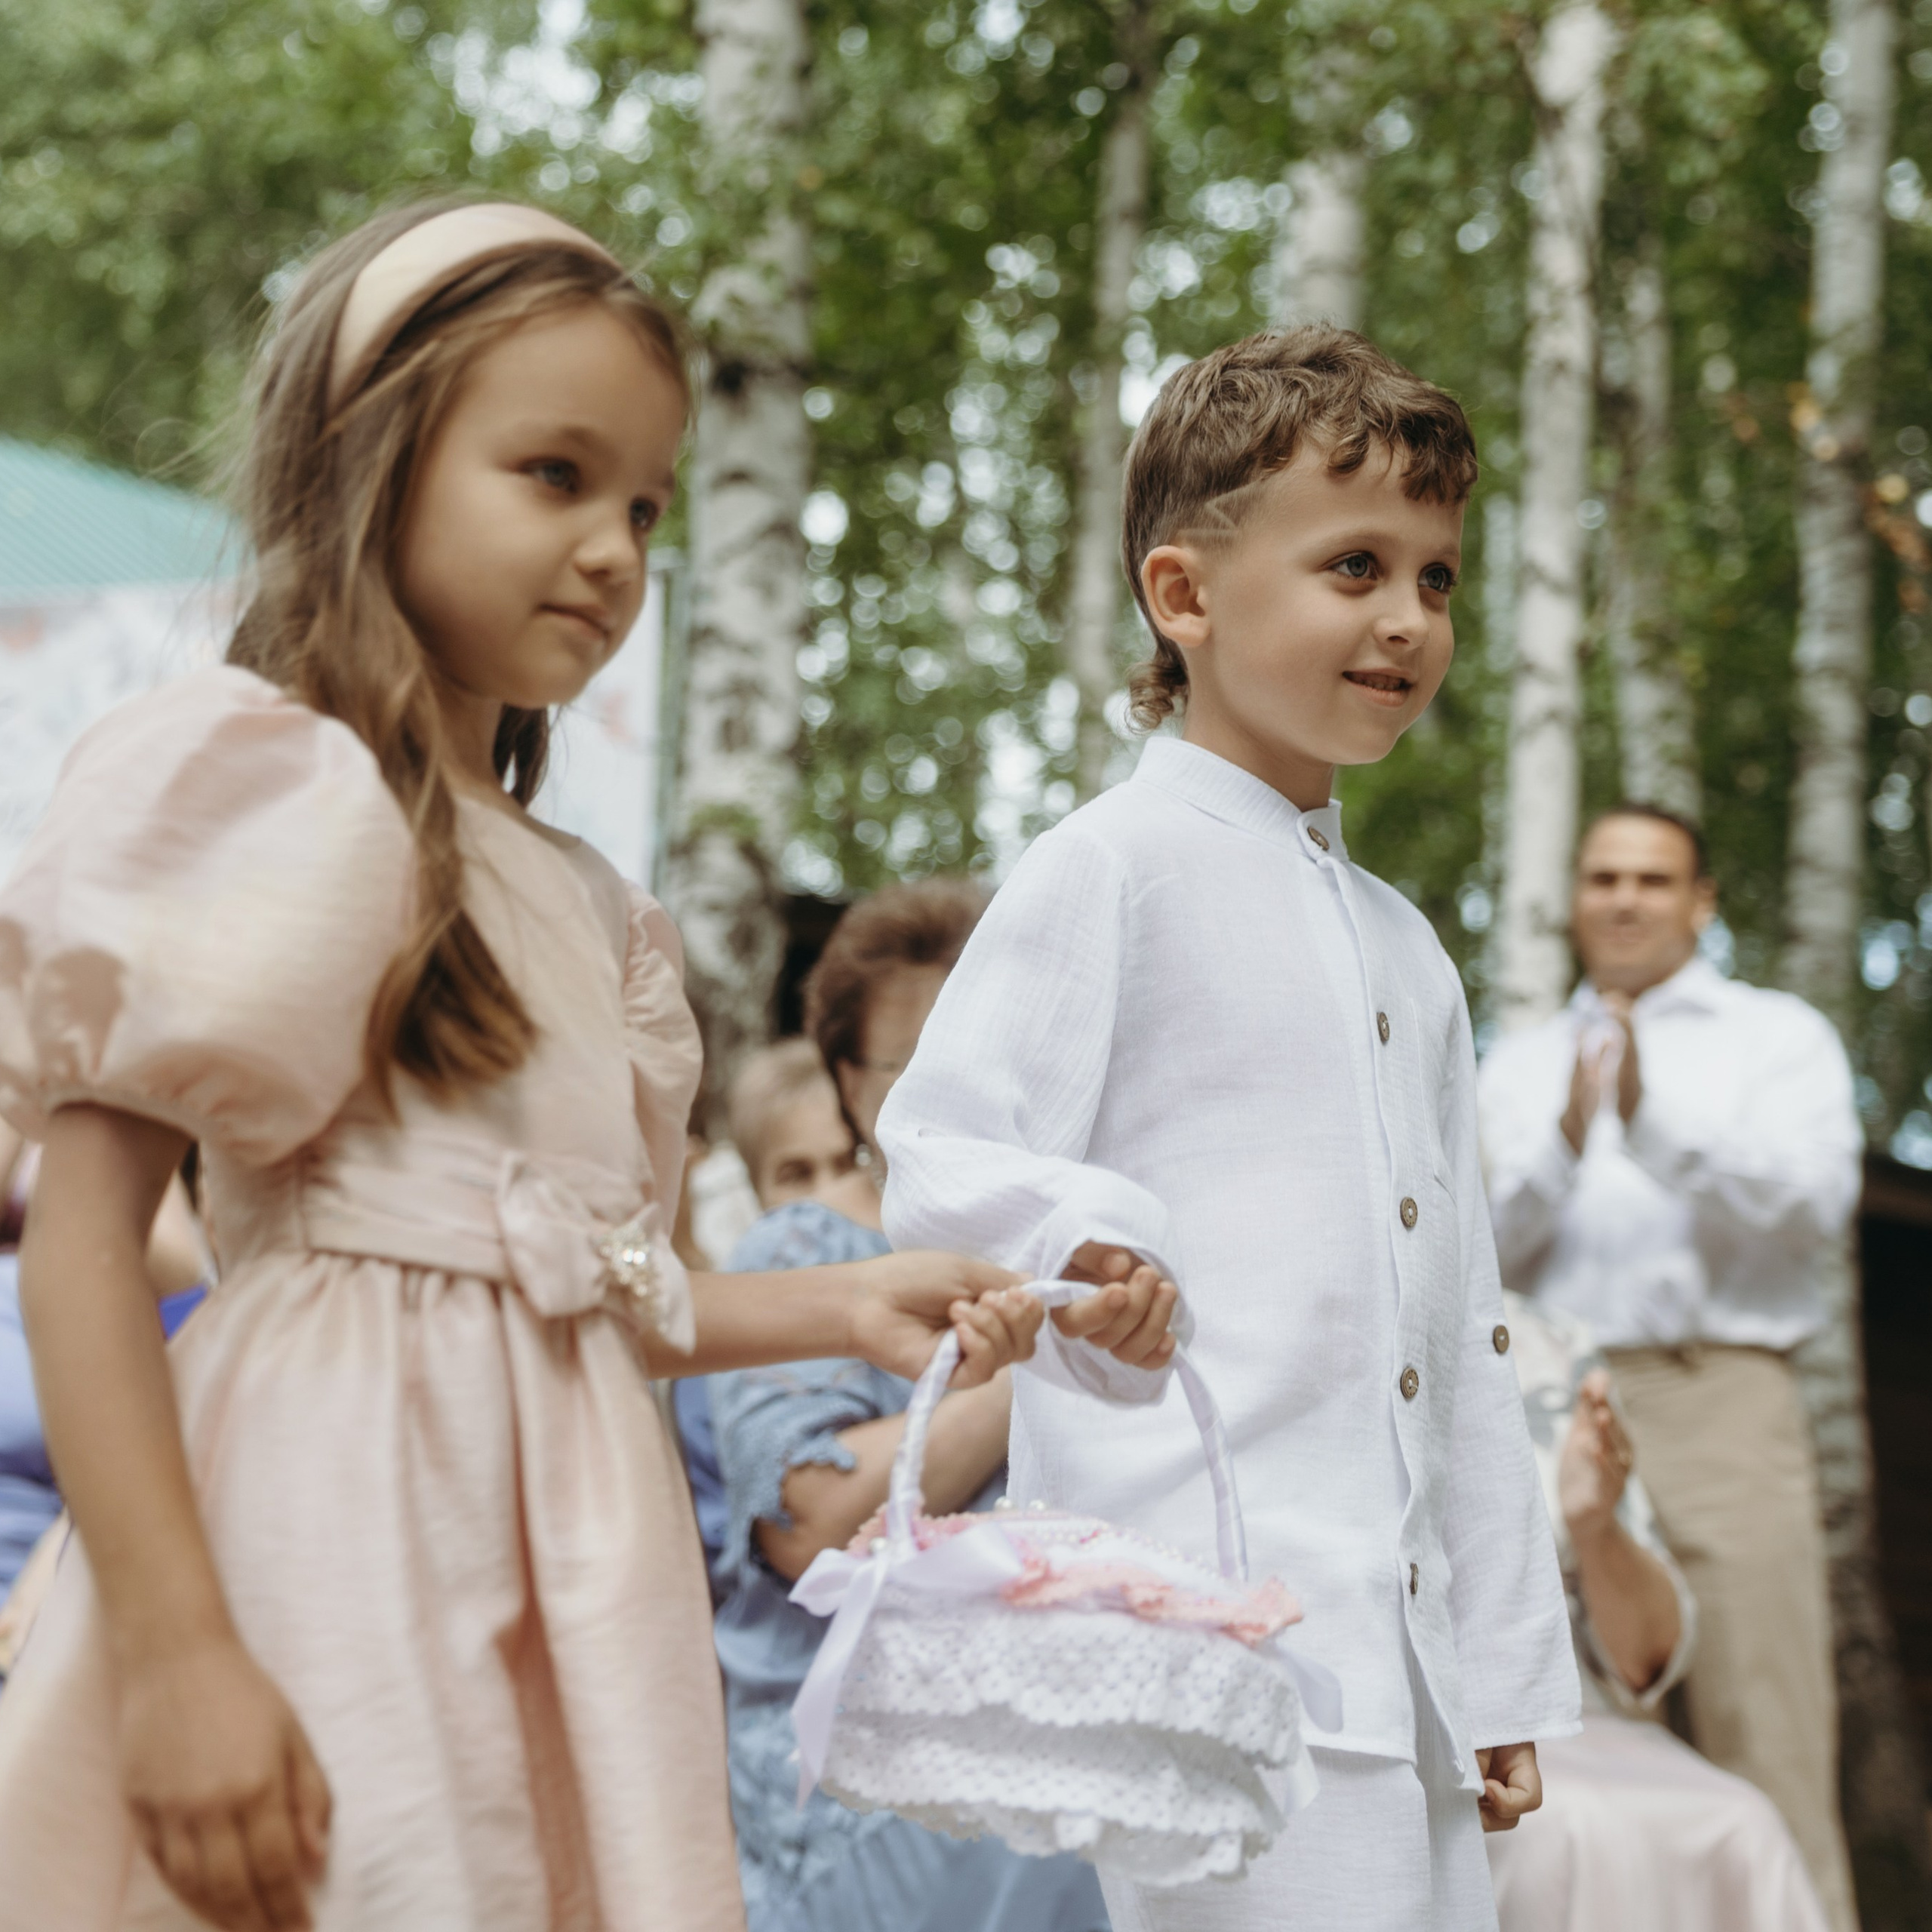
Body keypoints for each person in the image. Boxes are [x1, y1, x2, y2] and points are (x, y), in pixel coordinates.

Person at [0, 199, 1132, 1932]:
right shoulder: (268, 791)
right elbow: (83, 1246)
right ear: (365, 461)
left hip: (572, 1577)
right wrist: (174, 1646)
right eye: (552, 474)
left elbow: (592, 1291)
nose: (612, 546)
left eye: (646, 505)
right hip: (329, 1530)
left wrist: (851, 1305)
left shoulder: (596, 910)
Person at [878, 327, 1580, 1932]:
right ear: (1181, 597)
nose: (1407, 618)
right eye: (1354, 564)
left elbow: (1459, 1329)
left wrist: (1497, 1664)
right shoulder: (1108, 865)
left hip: (1399, 1651)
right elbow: (943, 1145)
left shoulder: (1408, 945)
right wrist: (1084, 1246)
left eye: (1438, 577)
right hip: (1201, 1633)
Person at [686, 881, 1113, 1932]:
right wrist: (1037, 1369)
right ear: (847, 1080)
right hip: (875, 1822)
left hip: (1065, 1803)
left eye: (987, 1039)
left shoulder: (1089, 1248)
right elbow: (812, 1519)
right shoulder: (807, 1250)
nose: (958, 1080)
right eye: (912, 1058)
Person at [1476, 806, 1861, 1932]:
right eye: (1603, 877)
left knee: (1767, 1733)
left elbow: (1815, 1208)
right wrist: (1560, 1140)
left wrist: (1649, 1122)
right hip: (1546, 1418)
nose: (1626, 899)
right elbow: (1470, 1255)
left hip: (1721, 1398)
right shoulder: (1523, 1059)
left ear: (1702, 902)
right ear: (1577, 901)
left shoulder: (1775, 1037)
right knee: (1573, 1757)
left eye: (1654, 878)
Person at [1486, 1290, 1829, 1932]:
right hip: (1454, 1723)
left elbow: (1645, 1660)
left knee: (1746, 1823)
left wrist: (1593, 1526)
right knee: (1577, 1830)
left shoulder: (1551, 1337)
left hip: (1579, 1718)